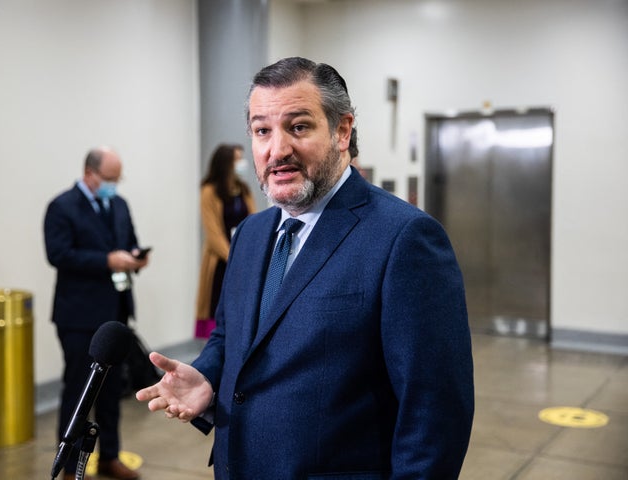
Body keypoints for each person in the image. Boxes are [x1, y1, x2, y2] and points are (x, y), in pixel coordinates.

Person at [137, 57, 474, 479]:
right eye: (262, 131)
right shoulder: (250, 235)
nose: (277, 150)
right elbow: (232, 336)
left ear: (342, 131)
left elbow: (435, 409)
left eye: (298, 127)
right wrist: (207, 376)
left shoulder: (404, 238)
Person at [44, 146, 146, 480]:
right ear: (90, 173)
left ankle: (110, 456)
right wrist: (106, 261)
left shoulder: (119, 204)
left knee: (112, 392)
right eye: (109, 179)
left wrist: (135, 257)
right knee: (78, 391)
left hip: (114, 314)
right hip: (78, 315)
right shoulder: (62, 207)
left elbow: (128, 241)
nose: (114, 185)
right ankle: (70, 463)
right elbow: (59, 254)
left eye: (118, 179)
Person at [194, 143, 256, 339]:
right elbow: (213, 234)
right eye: (237, 159)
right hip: (220, 262)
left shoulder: (243, 189)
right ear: (225, 163)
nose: (241, 163)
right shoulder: (209, 191)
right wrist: (233, 257)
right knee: (216, 308)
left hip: (244, 259)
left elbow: (254, 221)